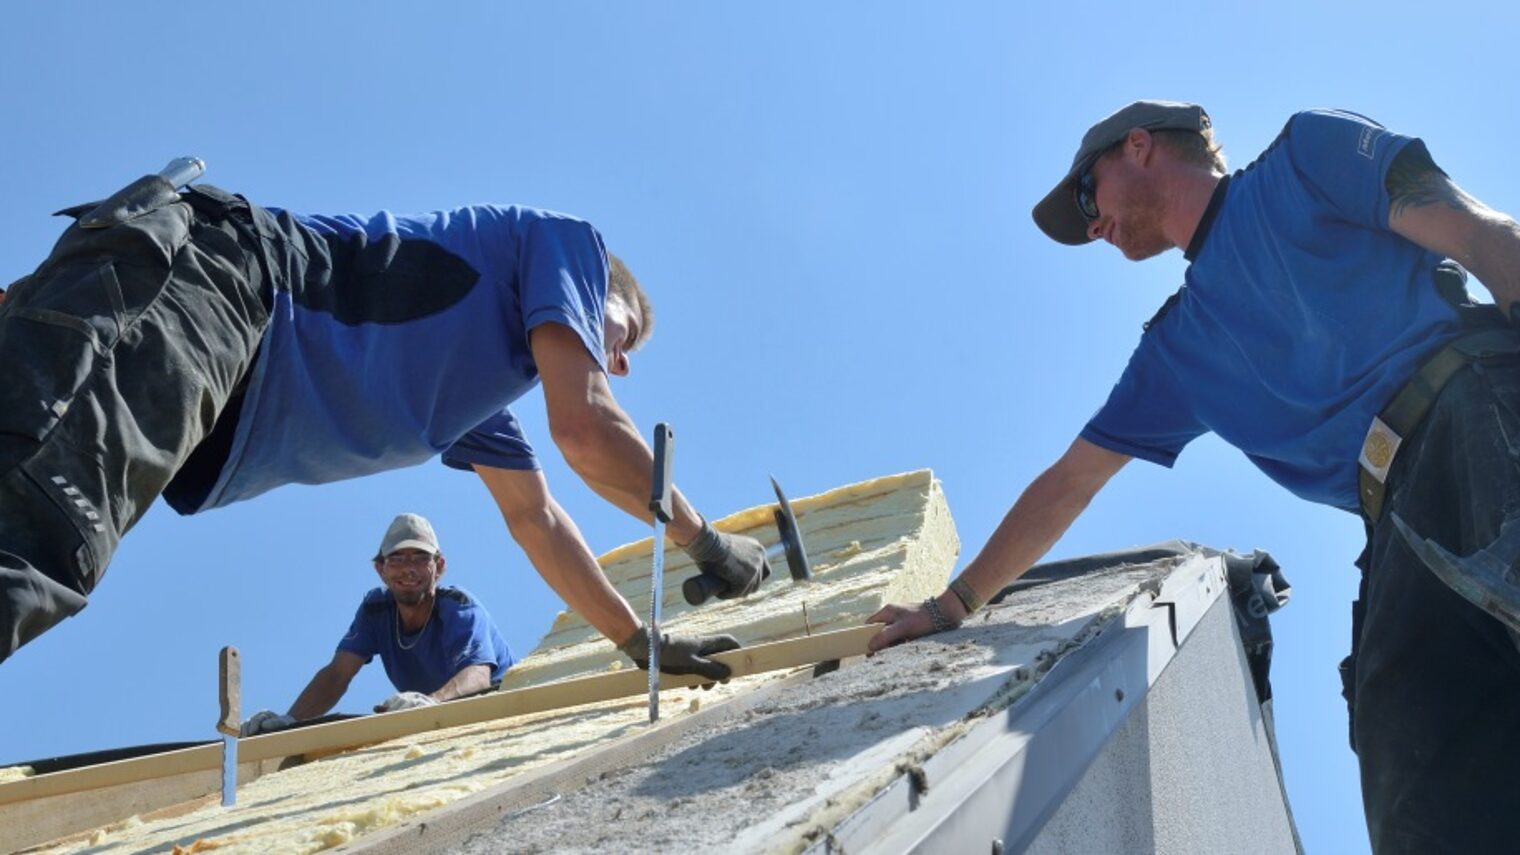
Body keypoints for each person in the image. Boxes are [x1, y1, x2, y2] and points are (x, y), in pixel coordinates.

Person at [867, 101, 1520, 852]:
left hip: (1477, 410)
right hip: (1400, 523)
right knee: (1417, 787)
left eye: (1088, 196)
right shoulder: (1181, 347)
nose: (1091, 227)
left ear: (1138, 146)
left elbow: (1480, 233)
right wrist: (950, 607)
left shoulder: (1305, 163)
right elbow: (1068, 483)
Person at [0, 172, 769, 680]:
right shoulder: (569, 241)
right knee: (38, 536)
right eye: (623, 332)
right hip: (208, 292)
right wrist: (706, 543)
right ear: (597, 285)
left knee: (35, 532)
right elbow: (587, 428)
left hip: (196, 342)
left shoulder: (463, 397)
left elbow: (536, 520)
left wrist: (639, 642)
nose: (621, 362)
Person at [241, 513, 516, 736]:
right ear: (380, 569)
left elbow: (479, 676)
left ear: (439, 566)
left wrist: (432, 703)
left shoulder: (458, 606)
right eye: (397, 559)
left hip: (501, 716)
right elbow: (338, 674)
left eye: (421, 559)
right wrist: (289, 721)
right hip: (439, 726)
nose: (408, 568)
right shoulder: (376, 610)